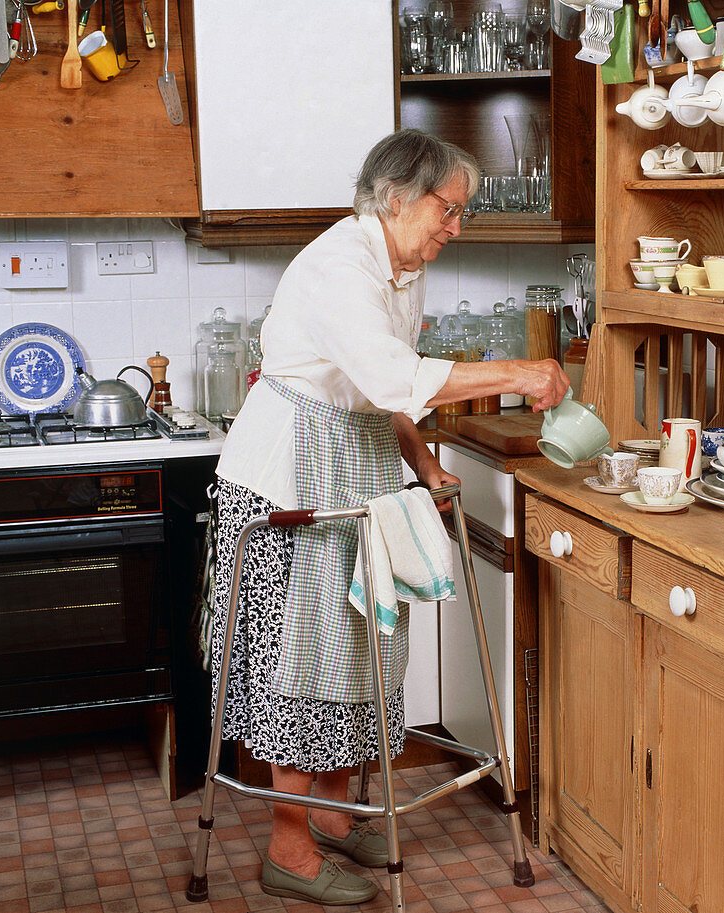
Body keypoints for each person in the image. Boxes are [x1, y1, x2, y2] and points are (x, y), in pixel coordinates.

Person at [210, 128, 569, 906]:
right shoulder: (342, 267)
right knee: (302, 661)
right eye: (449, 209)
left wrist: (424, 463)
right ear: (398, 197)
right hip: (289, 479)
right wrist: (521, 368)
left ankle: (337, 817)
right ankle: (290, 846)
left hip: (358, 463)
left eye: (461, 214)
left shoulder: (401, 270)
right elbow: (393, 373)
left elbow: (382, 391)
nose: (455, 227)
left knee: (360, 645)